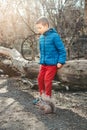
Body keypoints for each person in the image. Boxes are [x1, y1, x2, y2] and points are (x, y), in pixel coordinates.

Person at [33, 16, 66, 113]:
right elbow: (42, 51)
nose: (38, 30)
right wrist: (41, 61)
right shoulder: (41, 37)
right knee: (40, 79)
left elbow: (62, 50)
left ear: (46, 25)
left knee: (47, 80)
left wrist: (61, 61)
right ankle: (42, 97)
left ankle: (48, 100)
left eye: (40, 28)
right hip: (43, 64)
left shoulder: (54, 36)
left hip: (52, 64)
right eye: (37, 28)